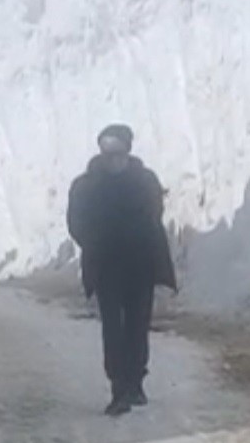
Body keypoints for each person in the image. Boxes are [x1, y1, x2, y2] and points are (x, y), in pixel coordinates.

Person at [66, 124, 177, 416]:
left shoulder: (145, 181)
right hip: (106, 266)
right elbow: (76, 222)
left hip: (140, 264)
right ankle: (118, 387)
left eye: (118, 152)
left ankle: (136, 381)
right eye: (107, 152)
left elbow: (155, 215)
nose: (113, 158)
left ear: (128, 151)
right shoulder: (86, 185)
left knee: (138, 325)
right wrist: (95, 242)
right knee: (113, 328)